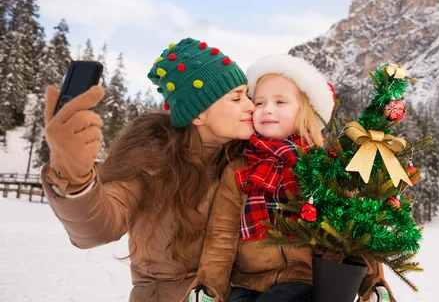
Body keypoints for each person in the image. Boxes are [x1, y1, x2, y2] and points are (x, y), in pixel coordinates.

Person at [41, 37, 255, 302]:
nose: (250, 105)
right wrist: (73, 178)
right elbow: (98, 228)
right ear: (198, 115)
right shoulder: (152, 161)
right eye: (236, 98)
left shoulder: (248, 159)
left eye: (247, 95)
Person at [186, 55, 396, 302]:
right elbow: (221, 235)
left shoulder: (324, 166)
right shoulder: (239, 168)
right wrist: (208, 289)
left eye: (280, 102)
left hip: (308, 284)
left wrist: (373, 285)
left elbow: (356, 229)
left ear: (304, 111)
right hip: (247, 284)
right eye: (260, 102)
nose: (268, 109)